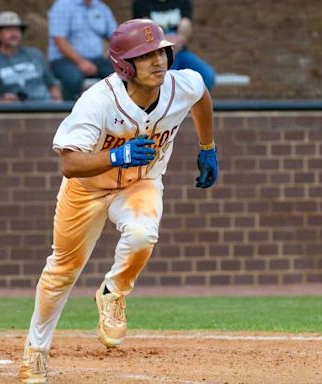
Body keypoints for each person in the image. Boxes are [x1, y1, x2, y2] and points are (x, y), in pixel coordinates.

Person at [18, 18, 218, 383]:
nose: (158, 61)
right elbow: (68, 163)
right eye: (146, 55)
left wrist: (207, 147)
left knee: (143, 233)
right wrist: (118, 156)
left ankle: (113, 293)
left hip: (140, 182)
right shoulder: (97, 101)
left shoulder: (180, 84)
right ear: (126, 65)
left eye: (161, 51)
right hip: (87, 188)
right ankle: (36, 351)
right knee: (62, 271)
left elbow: (201, 94)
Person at [133, 0, 217, 91]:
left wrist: (176, 40)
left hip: (180, 51)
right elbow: (146, 29)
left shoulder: (182, 2)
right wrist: (165, 43)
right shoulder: (141, 3)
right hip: (156, 54)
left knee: (207, 76)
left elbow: (186, 25)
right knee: (165, 84)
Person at [0, 11, 62, 102]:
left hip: (46, 109)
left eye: (17, 29)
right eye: (9, 30)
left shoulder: (36, 55)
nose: (14, 34)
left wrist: (58, 103)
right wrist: (2, 101)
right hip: (14, 114)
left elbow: (52, 85)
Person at [47, 0, 117, 100]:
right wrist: (81, 62)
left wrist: (112, 52)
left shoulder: (101, 7)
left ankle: (117, 112)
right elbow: (59, 41)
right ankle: (69, 111)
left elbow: (116, 37)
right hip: (64, 60)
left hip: (97, 59)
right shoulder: (62, 6)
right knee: (73, 79)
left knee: (120, 74)